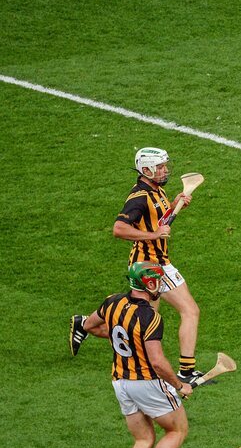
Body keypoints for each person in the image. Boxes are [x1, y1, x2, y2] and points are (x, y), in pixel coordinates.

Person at [70, 147, 203, 384]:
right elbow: (119, 229)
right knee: (179, 315)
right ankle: (185, 371)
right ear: (146, 170)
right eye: (160, 167)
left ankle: (85, 323)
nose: (164, 170)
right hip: (148, 266)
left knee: (154, 322)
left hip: (160, 262)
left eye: (164, 166)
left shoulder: (156, 190)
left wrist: (175, 204)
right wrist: (154, 236)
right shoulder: (139, 197)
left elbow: (159, 220)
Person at [76, 261, 192, 448]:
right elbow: (158, 362)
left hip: (121, 383)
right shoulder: (150, 317)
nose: (161, 285)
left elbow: (89, 326)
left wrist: (123, 336)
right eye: (157, 281)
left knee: (143, 439)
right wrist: (179, 385)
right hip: (147, 383)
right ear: (148, 284)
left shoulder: (112, 302)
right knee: (177, 429)